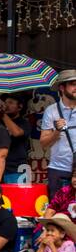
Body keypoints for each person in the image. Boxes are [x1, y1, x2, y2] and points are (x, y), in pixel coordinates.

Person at [40, 69, 76, 199]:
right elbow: (43, 143)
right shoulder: (51, 111)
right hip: (59, 169)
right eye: (73, 84)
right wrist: (56, 132)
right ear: (62, 87)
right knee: (56, 213)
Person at [0, 92, 33, 179]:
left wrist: (3, 114)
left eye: (10, 103)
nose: (6, 105)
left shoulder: (24, 123)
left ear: (20, 107)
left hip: (16, 170)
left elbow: (16, 133)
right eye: (5, 103)